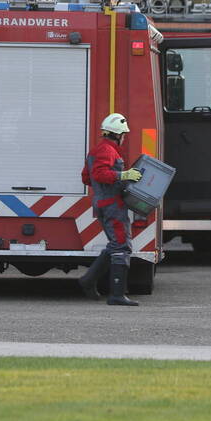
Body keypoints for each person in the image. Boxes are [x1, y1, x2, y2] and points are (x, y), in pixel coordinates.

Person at [78, 112, 143, 306]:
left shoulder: (97, 150)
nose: (124, 138)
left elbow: (86, 178)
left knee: (115, 244)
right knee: (121, 246)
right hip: (112, 204)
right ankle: (117, 294)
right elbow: (99, 174)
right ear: (118, 134)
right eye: (124, 135)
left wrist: (106, 187)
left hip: (102, 202)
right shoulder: (108, 151)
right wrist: (123, 176)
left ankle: (88, 279)